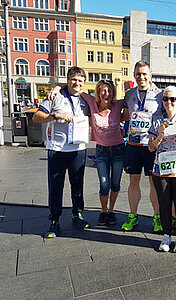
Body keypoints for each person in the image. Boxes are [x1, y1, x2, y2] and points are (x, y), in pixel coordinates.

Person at [33, 67, 90, 238]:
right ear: (68, 80)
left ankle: (77, 214)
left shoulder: (85, 100)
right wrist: (56, 116)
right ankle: (54, 220)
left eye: (80, 80)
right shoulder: (55, 96)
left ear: (83, 83)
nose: (77, 83)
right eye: (73, 79)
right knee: (56, 186)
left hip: (78, 149)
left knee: (77, 185)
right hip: (57, 149)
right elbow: (37, 117)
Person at [148, 86, 176, 252]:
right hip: (161, 169)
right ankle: (166, 236)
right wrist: (160, 136)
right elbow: (151, 148)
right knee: (164, 204)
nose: (169, 102)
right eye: (165, 99)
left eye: (172, 99)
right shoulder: (156, 120)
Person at [122, 61, 164, 232]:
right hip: (133, 144)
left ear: (150, 75)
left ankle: (157, 217)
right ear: (134, 75)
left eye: (144, 74)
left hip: (151, 145)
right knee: (133, 181)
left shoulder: (160, 94)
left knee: (154, 182)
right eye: (138, 74)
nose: (141, 77)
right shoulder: (129, 94)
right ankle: (133, 216)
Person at [82, 81, 128, 225]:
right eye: (102, 90)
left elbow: (131, 100)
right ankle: (103, 211)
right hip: (101, 150)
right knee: (104, 183)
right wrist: (58, 87)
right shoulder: (92, 102)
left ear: (113, 93)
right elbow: (77, 90)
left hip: (118, 149)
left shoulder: (118, 104)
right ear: (98, 92)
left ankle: (111, 211)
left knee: (115, 183)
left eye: (109, 91)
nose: (106, 94)